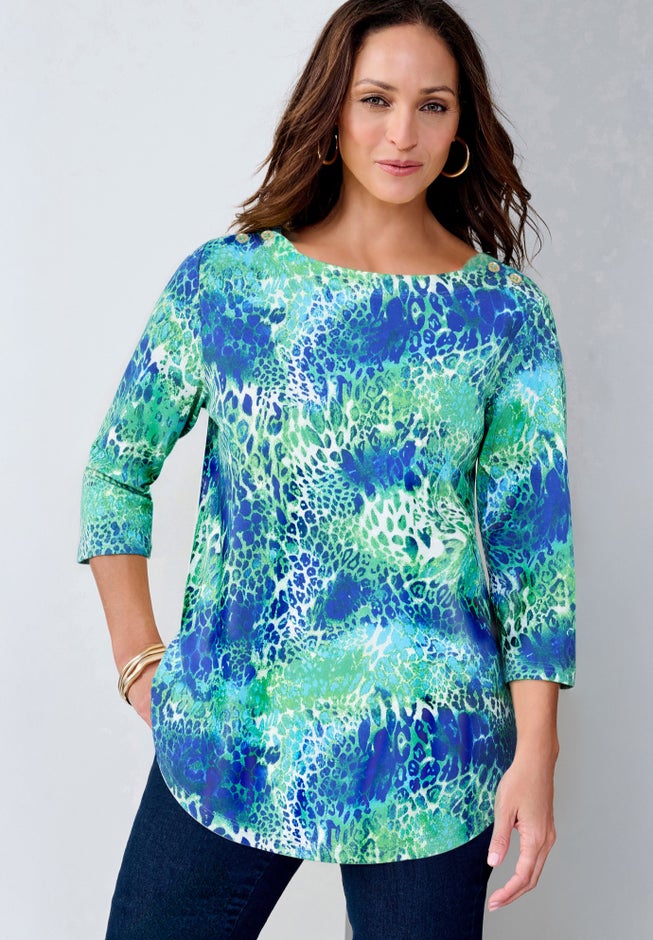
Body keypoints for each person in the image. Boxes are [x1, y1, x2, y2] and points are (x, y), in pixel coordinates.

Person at [78, 1, 575, 937]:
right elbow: (116, 469)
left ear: (461, 127)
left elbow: (532, 556)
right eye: (375, 99)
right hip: (235, 730)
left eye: (432, 105)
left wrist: (537, 750)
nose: (401, 133)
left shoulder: (503, 315)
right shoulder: (229, 284)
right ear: (330, 111)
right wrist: (139, 658)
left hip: (431, 751)